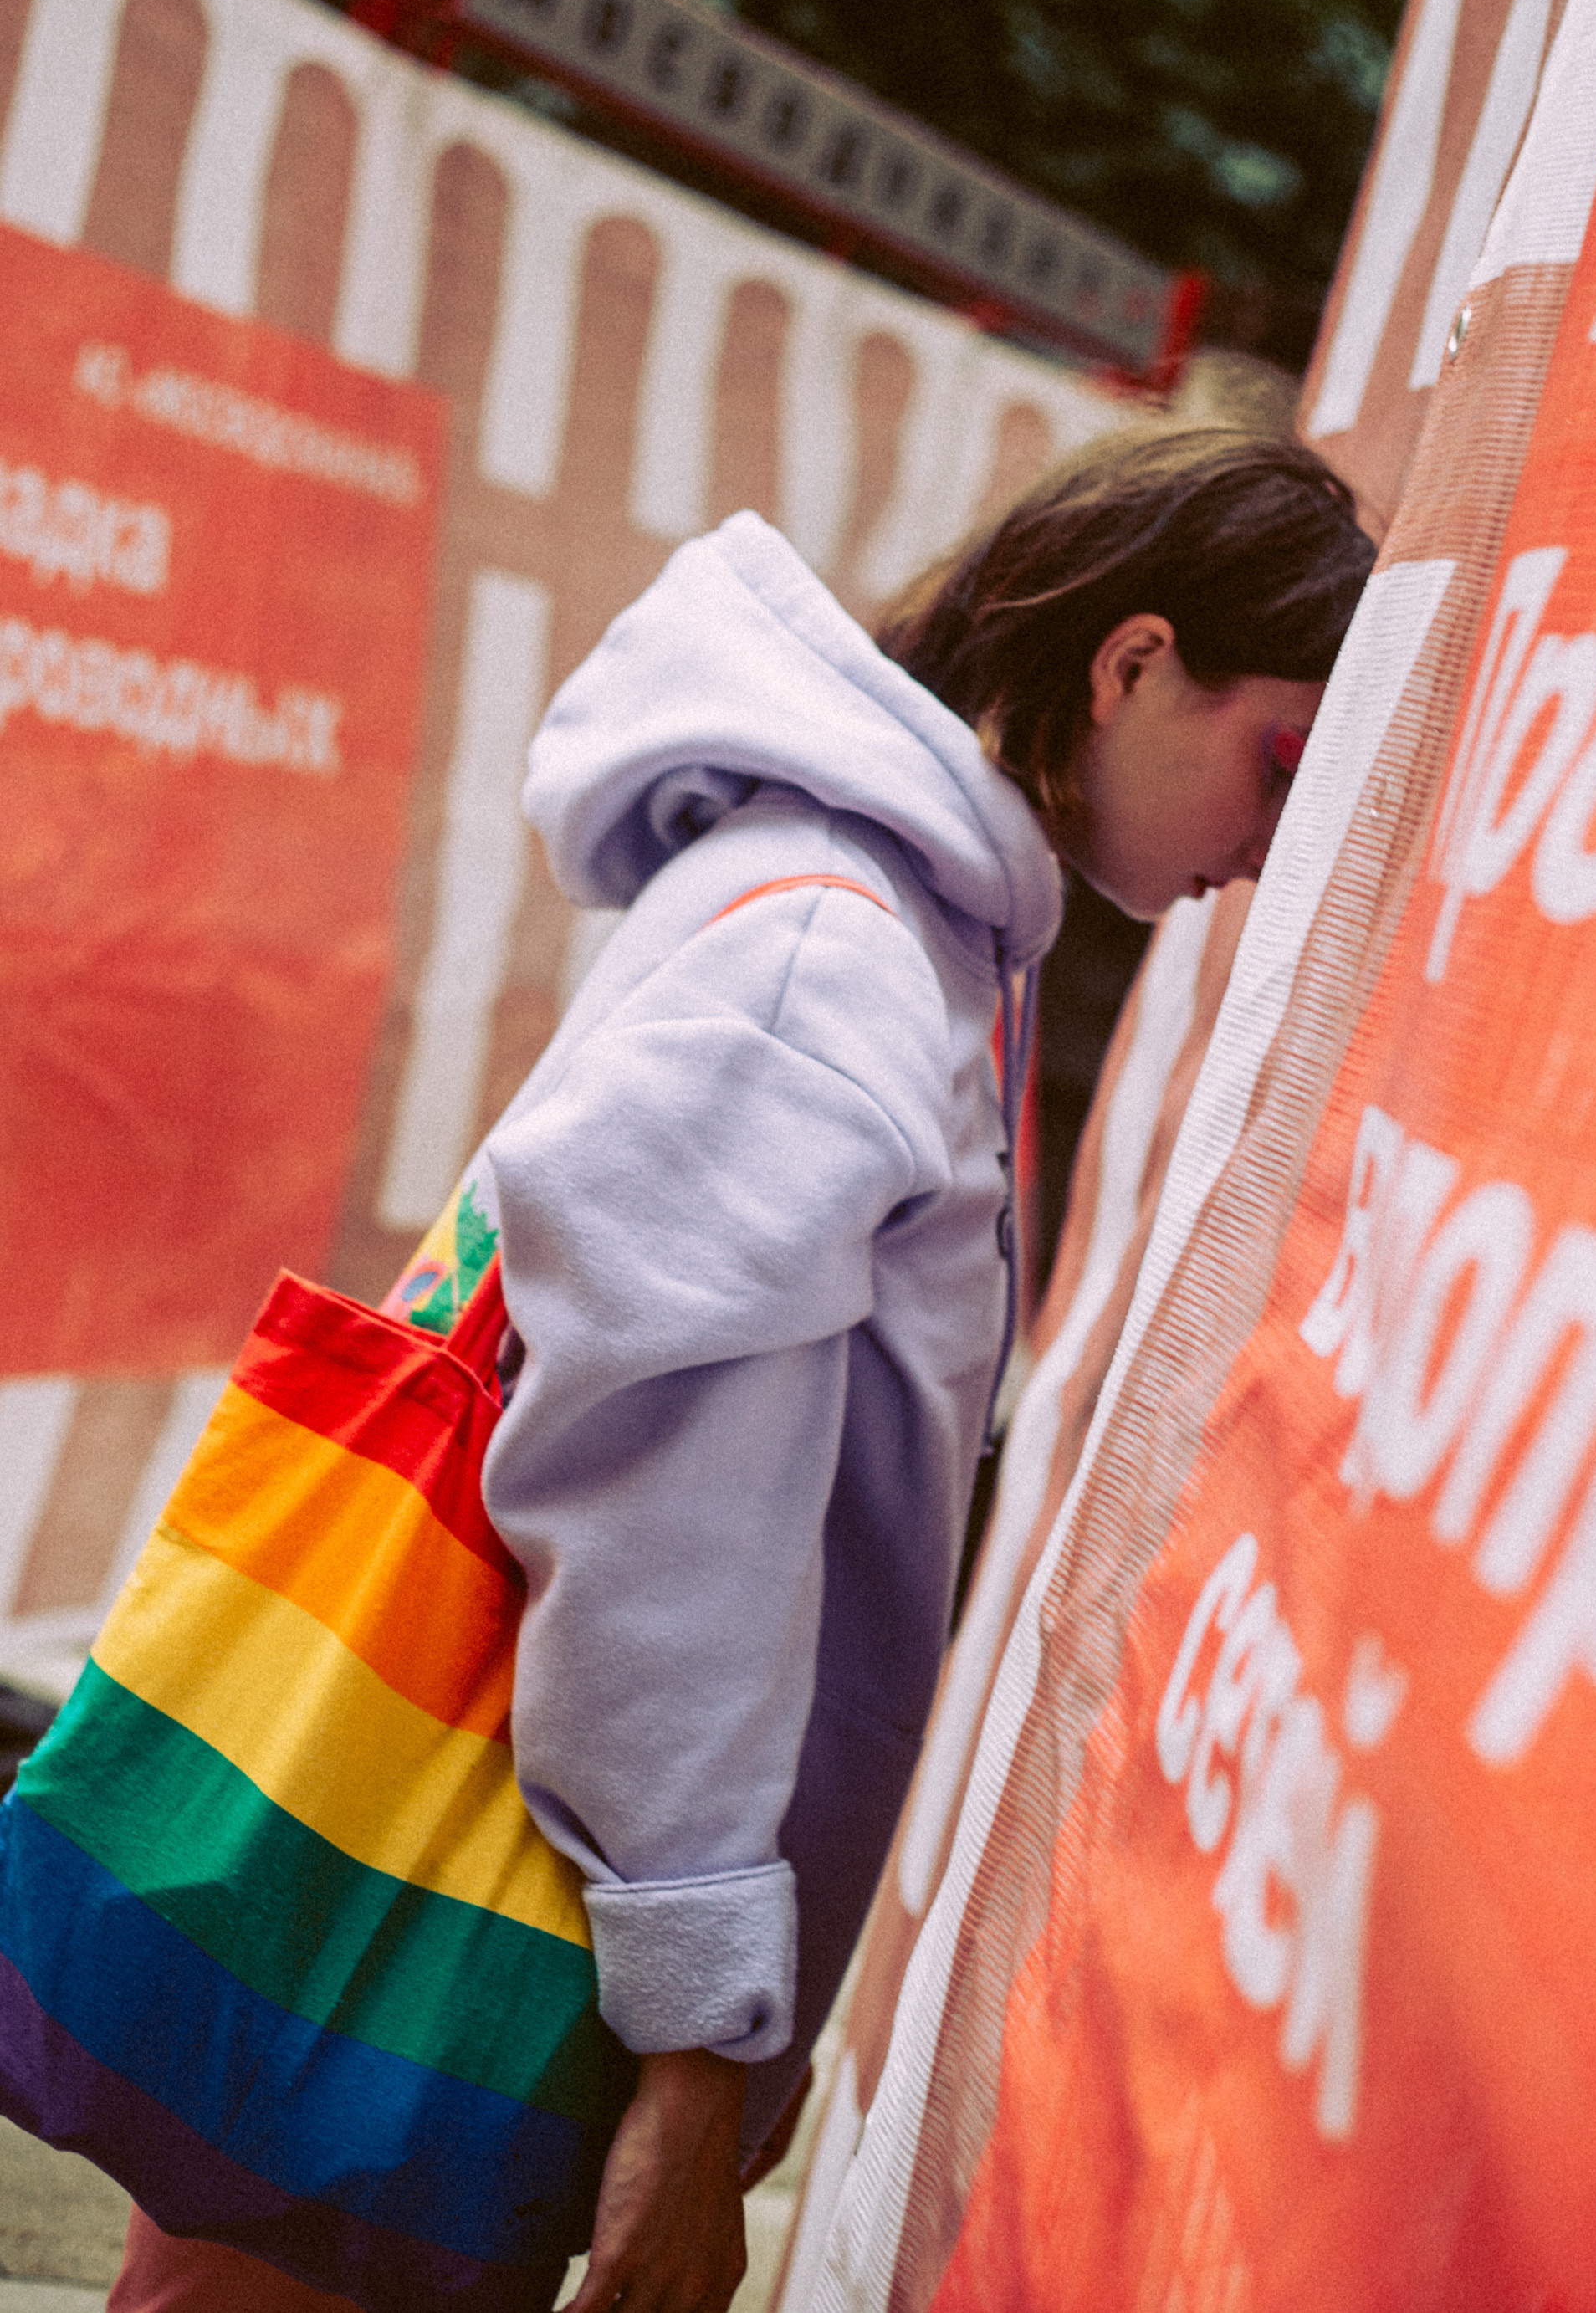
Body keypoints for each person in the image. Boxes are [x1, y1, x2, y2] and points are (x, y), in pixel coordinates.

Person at [107, 423, 1374, 2313]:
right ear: (1131, 663)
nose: (1277, 847)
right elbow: (664, 1512)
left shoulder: (889, 925)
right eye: (1285, 758)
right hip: (487, 1895)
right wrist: (702, 2045)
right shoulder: (843, 958)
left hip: (494, 1869)